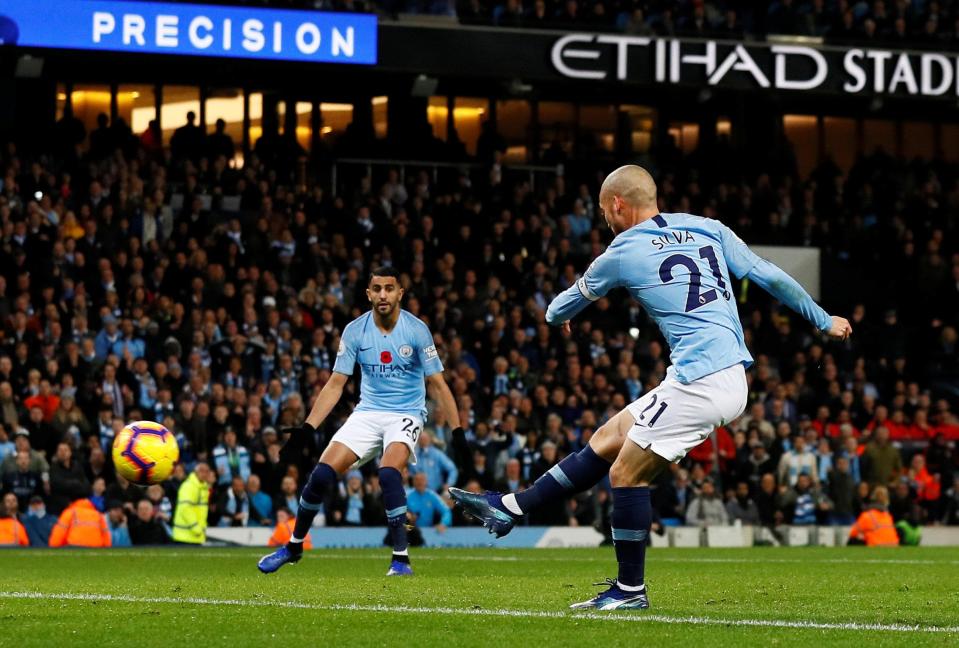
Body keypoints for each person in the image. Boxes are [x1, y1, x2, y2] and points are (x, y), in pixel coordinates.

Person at [452, 165, 851, 610]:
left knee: (625, 473)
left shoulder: (622, 250)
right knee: (608, 438)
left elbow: (560, 306)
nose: (606, 220)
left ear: (618, 205)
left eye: (605, 211)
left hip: (700, 381)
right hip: (722, 374)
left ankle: (629, 591)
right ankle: (511, 507)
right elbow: (769, 276)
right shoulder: (709, 228)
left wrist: (557, 318)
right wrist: (823, 319)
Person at [257, 267, 463, 577]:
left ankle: (400, 559)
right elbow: (336, 383)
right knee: (321, 475)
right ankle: (294, 546)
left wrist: (458, 432)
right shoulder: (354, 330)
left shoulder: (417, 330)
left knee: (389, 472)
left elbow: (438, 384)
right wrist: (307, 427)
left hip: (406, 413)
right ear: (368, 294)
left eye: (389, 288)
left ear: (400, 293)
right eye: (377, 288)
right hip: (367, 413)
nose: (383, 294)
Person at [172, 462, 212, 545]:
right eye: (201, 471)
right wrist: (196, 528)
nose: (204, 474)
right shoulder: (189, 486)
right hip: (185, 536)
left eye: (207, 471)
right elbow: (185, 508)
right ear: (195, 472)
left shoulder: (203, 487)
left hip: (194, 536)